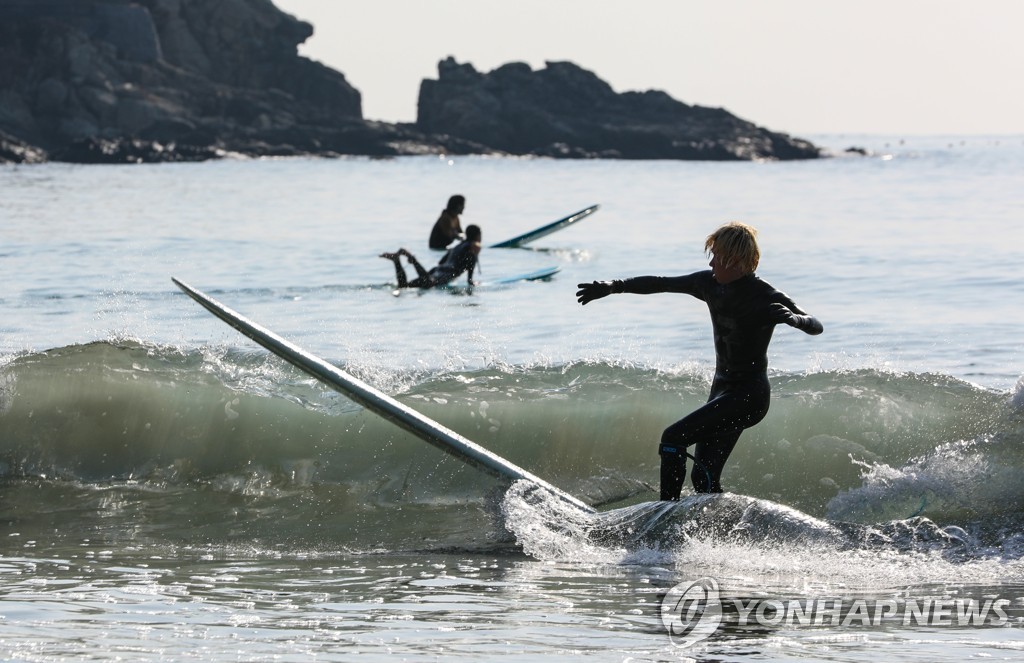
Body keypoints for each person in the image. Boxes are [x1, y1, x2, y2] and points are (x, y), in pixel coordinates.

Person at [575, 222, 823, 501]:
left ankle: (665, 516)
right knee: (704, 477)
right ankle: (719, 529)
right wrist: (613, 287)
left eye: (718, 257)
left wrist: (795, 319)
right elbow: (661, 283)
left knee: (673, 437)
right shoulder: (709, 284)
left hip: (749, 395)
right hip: (723, 391)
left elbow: (816, 325)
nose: (712, 263)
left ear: (737, 261)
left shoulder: (765, 296)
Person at [382, 224, 482, 289]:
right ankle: (413, 260)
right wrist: (471, 281)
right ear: (477, 236)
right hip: (444, 275)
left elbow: (441, 262)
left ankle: (396, 261)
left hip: (437, 270)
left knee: (404, 286)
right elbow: (470, 273)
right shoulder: (471, 250)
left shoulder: (456, 247)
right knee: (429, 282)